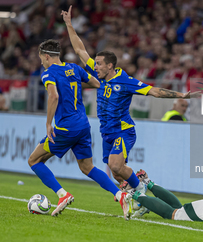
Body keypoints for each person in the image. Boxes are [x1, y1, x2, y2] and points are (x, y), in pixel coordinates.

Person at [61, 6, 199, 194]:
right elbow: (79, 49)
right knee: (118, 174)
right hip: (106, 132)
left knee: (115, 165)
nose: (95, 66)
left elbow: (154, 92)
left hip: (124, 130)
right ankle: (142, 185)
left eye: (99, 63)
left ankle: (142, 188)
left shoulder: (126, 81)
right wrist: (69, 24)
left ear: (110, 66)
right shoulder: (100, 74)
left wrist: (181, 95)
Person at [27, 39, 132, 219]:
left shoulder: (48, 73)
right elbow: (96, 82)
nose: (41, 62)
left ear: (45, 56)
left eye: (41, 58)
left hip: (66, 129)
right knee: (87, 167)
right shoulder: (74, 68)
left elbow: (53, 96)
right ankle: (120, 194)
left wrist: (48, 124)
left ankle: (62, 195)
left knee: (34, 160)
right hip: (83, 125)